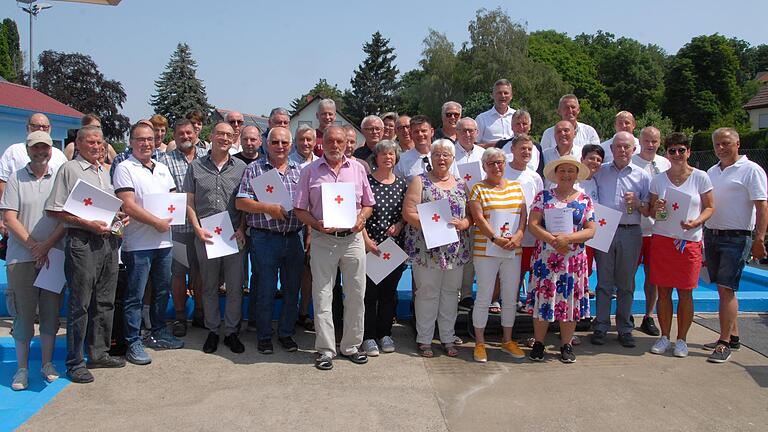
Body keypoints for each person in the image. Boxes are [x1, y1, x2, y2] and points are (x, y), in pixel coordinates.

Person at [45, 125, 128, 384]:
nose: (96, 147)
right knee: (80, 304)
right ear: (78, 145)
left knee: (104, 301)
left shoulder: (105, 172)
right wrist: (87, 223)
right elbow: (54, 210)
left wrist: (118, 219)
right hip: (82, 241)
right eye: (90, 142)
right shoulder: (69, 170)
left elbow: (105, 210)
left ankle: (99, 352)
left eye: (100, 143)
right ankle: (74, 361)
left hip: (108, 242)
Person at [294, 125, 375, 370]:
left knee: (356, 294)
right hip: (323, 239)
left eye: (340, 141)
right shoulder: (309, 171)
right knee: (322, 295)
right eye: (331, 141)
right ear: (323, 143)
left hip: (352, 240)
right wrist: (316, 225)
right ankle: (326, 349)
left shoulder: (358, 169)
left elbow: (367, 204)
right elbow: (299, 209)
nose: (336, 146)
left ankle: (351, 346)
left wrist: (361, 220)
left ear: (346, 143)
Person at [113, 122, 183, 365]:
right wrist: (156, 222)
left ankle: (159, 331)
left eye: (150, 139)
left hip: (164, 243)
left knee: (162, 291)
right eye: (140, 139)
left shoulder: (162, 169)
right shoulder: (124, 168)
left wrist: (174, 217)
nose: (146, 143)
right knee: (135, 294)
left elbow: (174, 199)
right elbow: (128, 205)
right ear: (131, 142)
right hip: (138, 244)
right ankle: (133, 340)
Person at [2, 131, 65, 390]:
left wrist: (47, 246)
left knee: (50, 313)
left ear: (51, 150)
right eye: (36, 147)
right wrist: (33, 246)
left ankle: (47, 364)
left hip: (54, 255)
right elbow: (9, 217)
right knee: (23, 315)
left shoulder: (60, 178)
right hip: (21, 257)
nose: (41, 152)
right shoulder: (16, 178)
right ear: (28, 150)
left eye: (45, 147)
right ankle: (22, 368)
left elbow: (66, 217)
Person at [236, 127, 304, 354]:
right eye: (275, 142)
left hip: (294, 238)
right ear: (267, 144)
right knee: (265, 289)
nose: (280, 147)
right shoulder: (255, 169)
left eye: (285, 142)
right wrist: (267, 208)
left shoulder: (301, 171)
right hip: (265, 239)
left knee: (292, 289)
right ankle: (264, 336)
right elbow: (241, 202)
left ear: (291, 145)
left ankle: (286, 333)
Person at [402, 139, 472, 358]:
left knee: (452, 293)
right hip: (427, 248)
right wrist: (432, 227)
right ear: (430, 158)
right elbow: (408, 212)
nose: (441, 158)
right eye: (437, 154)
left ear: (452, 159)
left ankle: (448, 337)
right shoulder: (419, 181)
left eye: (446, 155)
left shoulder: (461, 184)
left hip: (455, 250)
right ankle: (424, 339)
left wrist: (465, 223)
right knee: (427, 293)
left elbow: (471, 214)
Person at [647, 132, 714, 358]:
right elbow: (652, 211)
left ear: (688, 152)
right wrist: (658, 208)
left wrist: (696, 222)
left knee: (686, 293)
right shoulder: (658, 179)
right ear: (667, 153)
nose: (676, 154)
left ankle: (682, 339)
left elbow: (710, 207)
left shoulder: (701, 177)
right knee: (663, 291)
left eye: (681, 150)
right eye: (672, 150)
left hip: (688, 242)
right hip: (663, 240)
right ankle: (665, 336)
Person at [703, 127, 767, 363]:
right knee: (722, 288)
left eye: (726, 143)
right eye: (717, 144)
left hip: (737, 237)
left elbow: (762, 206)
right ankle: (734, 335)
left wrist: (760, 238)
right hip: (712, 234)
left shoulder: (752, 170)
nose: (721, 148)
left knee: (726, 288)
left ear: (738, 143)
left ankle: (723, 342)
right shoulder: (712, 171)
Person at [184, 122, 248, 354]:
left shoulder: (241, 167)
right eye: (219, 133)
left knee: (234, 287)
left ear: (234, 139)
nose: (224, 138)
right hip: (206, 234)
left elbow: (244, 203)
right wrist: (197, 228)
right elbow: (188, 202)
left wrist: (242, 227)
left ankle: (231, 332)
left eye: (229, 135)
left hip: (232, 234)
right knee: (209, 286)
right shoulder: (196, 167)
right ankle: (212, 330)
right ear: (211, 136)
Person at [526, 155, 596, 363]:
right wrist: (553, 240)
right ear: (555, 174)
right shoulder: (543, 197)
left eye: (570, 171)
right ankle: (539, 343)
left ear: (576, 174)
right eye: (562, 170)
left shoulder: (585, 199)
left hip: (572, 262)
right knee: (543, 300)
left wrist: (568, 239)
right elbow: (533, 223)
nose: (566, 175)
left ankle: (566, 344)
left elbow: (591, 230)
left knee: (569, 302)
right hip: (546, 259)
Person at [591, 131, 651, 348]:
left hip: (630, 230)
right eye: (618, 146)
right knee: (604, 282)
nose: (622, 150)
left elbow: (649, 210)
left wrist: (637, 203)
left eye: (626, 147)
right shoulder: (600, 172)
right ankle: (601, 325)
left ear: (633, 150)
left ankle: (625, 328)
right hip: (604, 229)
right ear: (612, 149)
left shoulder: (642, 176)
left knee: (626, 283)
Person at [467, 148, 527, 362]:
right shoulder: (477, 189)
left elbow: (523, 216)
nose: (497, 166)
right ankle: (480, 343)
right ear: (484, 166)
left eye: (500, 162)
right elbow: (479, 219)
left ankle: (507, 340)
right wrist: (495, 239)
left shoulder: (516, 187)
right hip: (486, 251)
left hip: (512, 250)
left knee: (511, 297)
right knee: (484, 296)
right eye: (491, 163)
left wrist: (519, 235)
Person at [158, 120, 208, 336]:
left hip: (204, 227)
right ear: (175, 136)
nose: (186, 136)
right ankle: (180, 317)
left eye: (189, 132)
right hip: (178, 229)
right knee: (178, 274)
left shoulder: (206, 158)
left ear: (195, 133)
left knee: (201, 273)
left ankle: (199, 312)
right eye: (181, 133)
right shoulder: (165, 161)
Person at [360, 140, 408, 356]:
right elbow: (359, 212)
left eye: (392, 154)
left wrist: (400, 225)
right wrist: (366, 240)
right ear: (376, 158)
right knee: (369, 294)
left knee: (389, 293)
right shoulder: (366, 182)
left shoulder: (403, 184)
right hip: (369, 246)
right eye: (384, 154)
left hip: (393, 248)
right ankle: (368, 336)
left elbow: (406, 213)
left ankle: (385, 333)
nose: (388, 157)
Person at [632, 126, 671, 336]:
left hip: (658, 230)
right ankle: (626, 313)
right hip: (634, 228)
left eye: (654, 141)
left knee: (653, 277)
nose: (650, 145)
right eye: (647, 140)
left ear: (659, 142)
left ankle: (648, 316)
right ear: (640, 140)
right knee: (627, 275)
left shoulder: (666, 164)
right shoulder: (631, 162)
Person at [504, 134, 544, 312]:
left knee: (531, 268)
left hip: (530, 233)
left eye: (529, 149)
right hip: (508, 230)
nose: (526, 152)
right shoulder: (503, 171)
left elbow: (540, 204)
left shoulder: (535, 177)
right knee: (511, 272)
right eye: (522, 148)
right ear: (512, 150)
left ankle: (530, 302)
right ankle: (506, 302)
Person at [453, 117, 484, 311]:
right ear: (456, 133)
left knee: (472, 254)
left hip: (478, 210)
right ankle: (452, 293)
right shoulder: (448, 152)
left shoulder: (483, 154)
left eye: (471, 130)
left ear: (477, 133)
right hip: (455, 209)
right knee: (454, 252)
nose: (467, 134)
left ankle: (465, 295)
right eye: (463, 130)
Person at [394, 115, 458, 182]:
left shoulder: (446, 156)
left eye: (423, 131)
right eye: (416, 132)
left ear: (432, 132)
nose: (420, 134)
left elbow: (456, 182)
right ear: (411, 134)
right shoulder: (402, 161)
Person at [498, 109, 543, 175]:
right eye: (518, 124)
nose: (521, 127)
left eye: (524, 124)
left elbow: (540, 173)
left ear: (529, 126)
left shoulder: (537, 148)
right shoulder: (501, 145)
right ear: (512, 127)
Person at [542, 121, 583, 188]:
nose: (562, 134)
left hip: (575, 196)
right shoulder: (545, 155)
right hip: (550, 196)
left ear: (574, 134)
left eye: (566, 130)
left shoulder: (582, 153)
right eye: (558, 131)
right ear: (554, 136)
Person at [475, 79, 515, 148]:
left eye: (506, 93)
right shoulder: (481, 119)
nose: (503, 96)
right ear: (493, 95)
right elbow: (474, 146)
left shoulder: (517, 117)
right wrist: (497, 145)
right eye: (499, 93)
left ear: (511, 96)